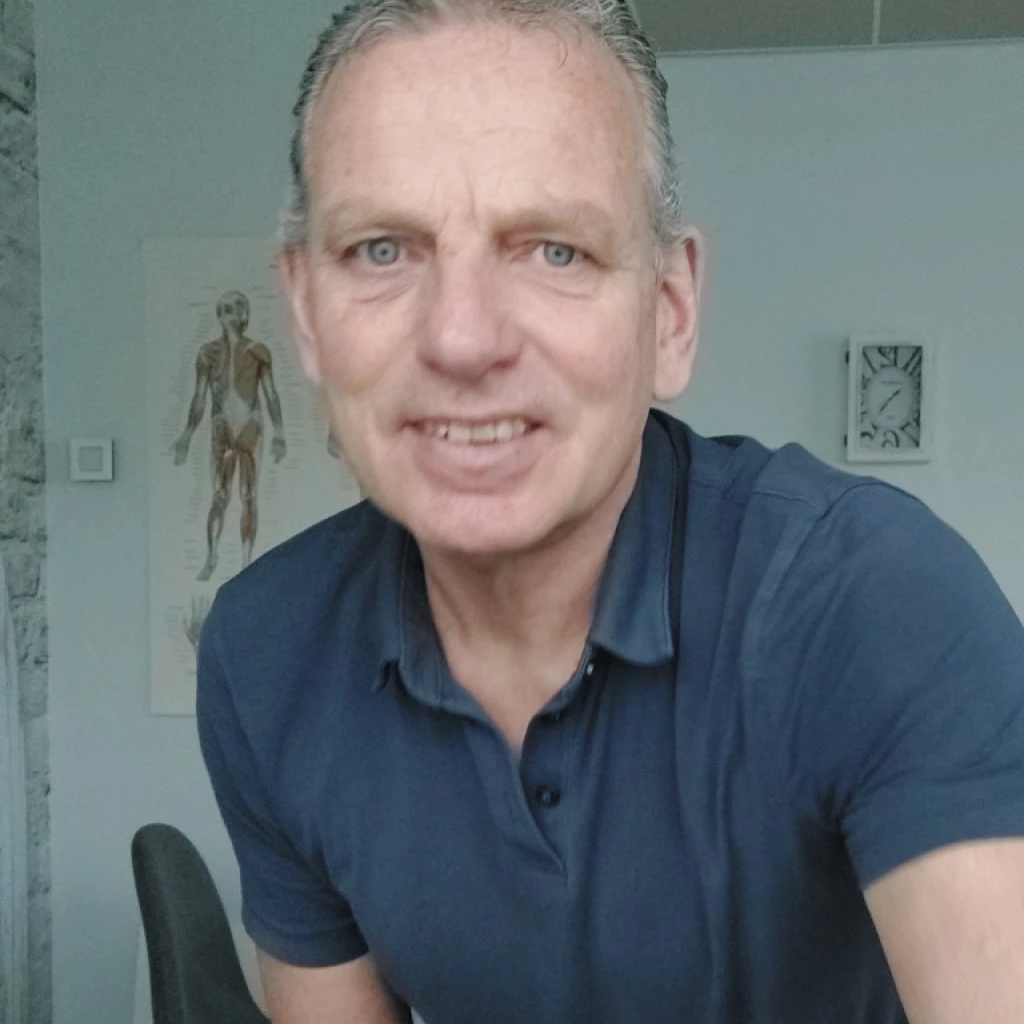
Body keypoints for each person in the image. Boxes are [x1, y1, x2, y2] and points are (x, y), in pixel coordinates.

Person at [196, 2, 1024, 1022]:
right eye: (380, 250)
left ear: (669, 313)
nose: (462, 338)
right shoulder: (266, 651)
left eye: (554, 251)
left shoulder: (877, 599)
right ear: (304, 314)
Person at [173, 290, 287, 581]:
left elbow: (271, 394)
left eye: (232, 308)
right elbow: (199, 398)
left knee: (249, 495)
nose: (226, 313)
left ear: (243, 313)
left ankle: (246, 563)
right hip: (221, 425)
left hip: (251, 426)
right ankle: (211, 556)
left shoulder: (258, 351)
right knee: (219, 495)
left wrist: (280, 432)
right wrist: (186, 435)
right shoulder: (207, 353)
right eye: (222, 308)